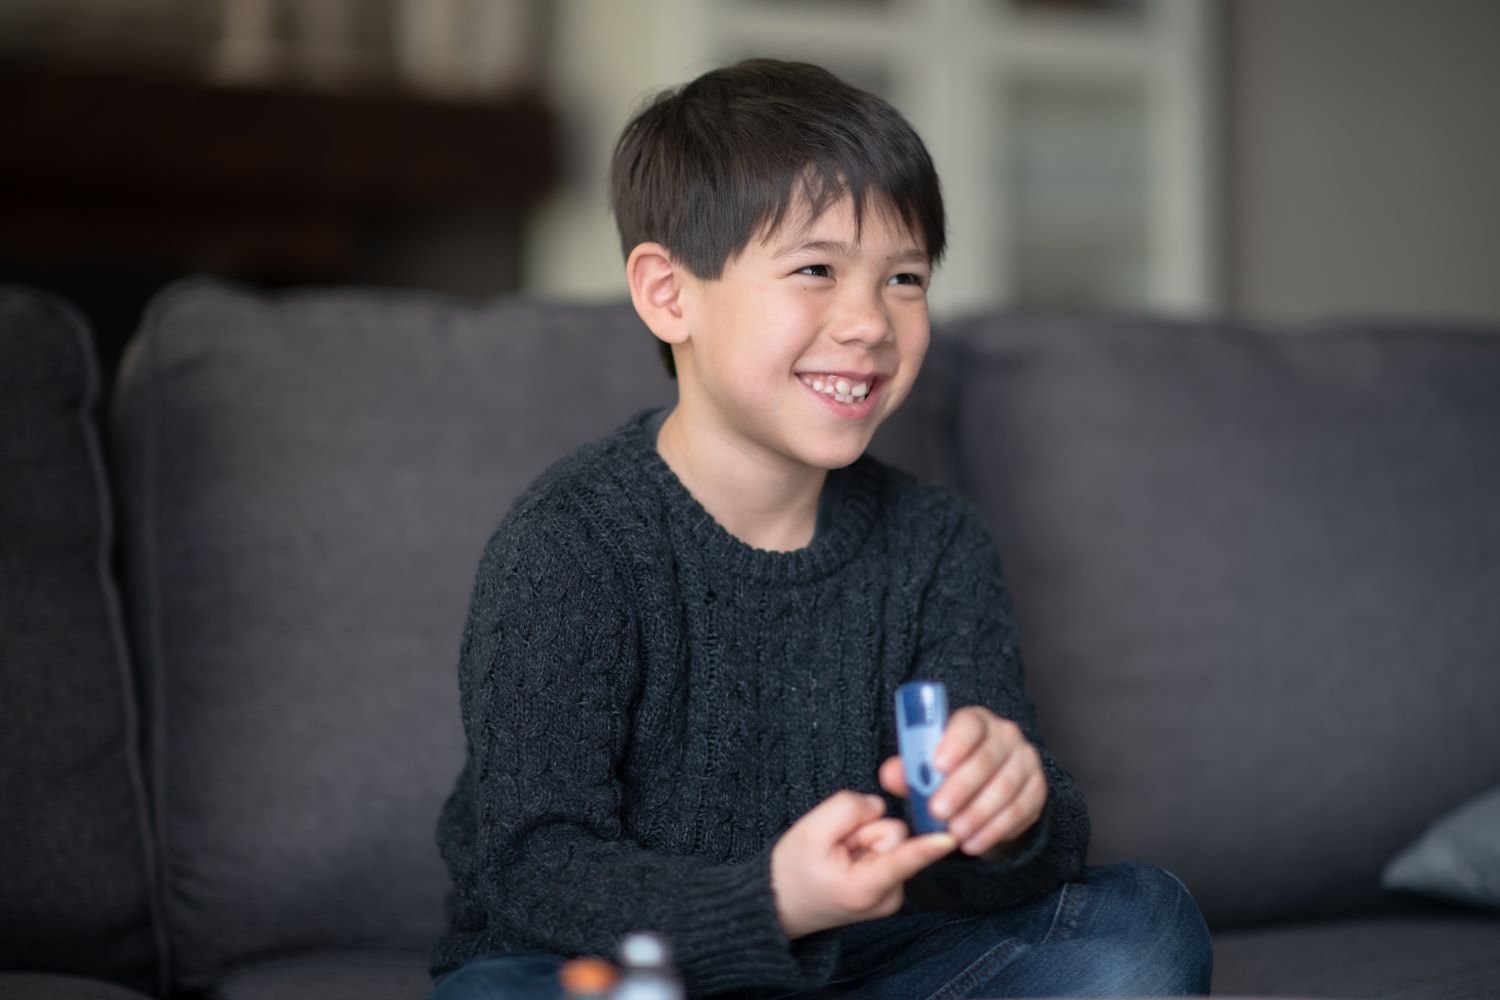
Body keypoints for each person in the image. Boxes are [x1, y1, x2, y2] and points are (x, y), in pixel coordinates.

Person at [429, 58, 1212, 999]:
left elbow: (1000, 867)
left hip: (867, 961)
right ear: (669, 294)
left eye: (905, 278)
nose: (869, 323)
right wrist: (771, 899)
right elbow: (533, 863)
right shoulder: (573, 540)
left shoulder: (935, 542)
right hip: (634, 964)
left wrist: (1011, 810)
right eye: (815, 269)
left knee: (1143, 923)